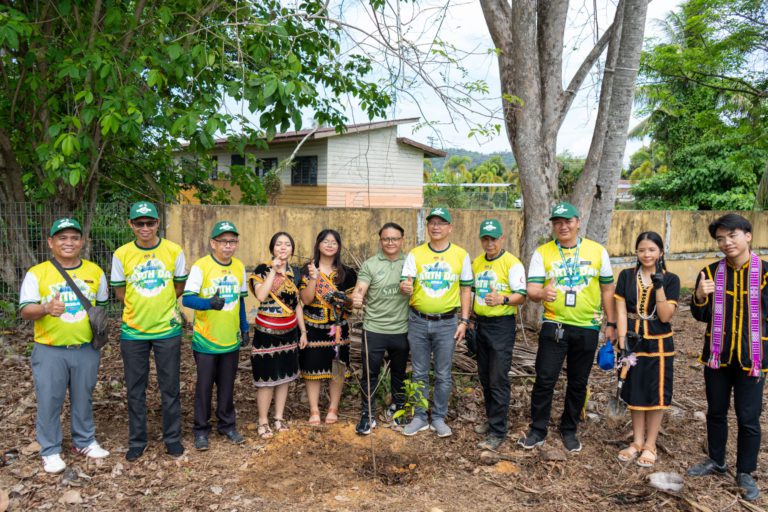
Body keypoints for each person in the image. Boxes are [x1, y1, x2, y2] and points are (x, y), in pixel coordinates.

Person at [520, 201, 616, 453]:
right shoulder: (543, 253)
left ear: (578, 221)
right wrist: (542, 292)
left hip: (587, 326)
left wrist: (612, 322)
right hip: (555, 324)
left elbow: (607, 288)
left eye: (568, 221)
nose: (563, 226)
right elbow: (531, 290)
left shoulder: (597, 251)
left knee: (578, 381)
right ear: (553, 225)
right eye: (557, 222)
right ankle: (537, 429)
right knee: (544, 379)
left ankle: (569, 429)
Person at [19, 218, 110, 473]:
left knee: (84, 396)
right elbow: (25, 310)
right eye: (62, 238)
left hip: (85, 348)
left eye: (74, 238)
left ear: (82, 242)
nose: (68, 242)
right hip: (50, 349)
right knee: (50, 399)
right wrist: (46, 308)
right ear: (50, 242)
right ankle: (50, 449)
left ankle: (84, 441)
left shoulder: (95, 272)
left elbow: (100, 308)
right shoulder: (37, 273)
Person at [687, 214, 767, 502]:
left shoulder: (766, 274)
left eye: (732, 235)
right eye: (720, 238)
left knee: (748, 418)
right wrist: (698, 296)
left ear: (748, 235)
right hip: (717, 358)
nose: (726, 242)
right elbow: (701, 315)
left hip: (752, 359)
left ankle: (745, 471)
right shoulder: (709, 273)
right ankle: (717, 460)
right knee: (716, 411)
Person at [111, 201, 187, 461]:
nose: (145, 228)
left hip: (167, 330)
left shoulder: (174, 251)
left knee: (170, 387)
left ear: (158, 223)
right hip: (134, 331)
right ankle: (137, 440)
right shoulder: (121, 254)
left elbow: (178, 287)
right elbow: (120, 292)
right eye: (139, 223)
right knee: (135, 388)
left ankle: (173, 438)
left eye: (150, 222)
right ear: (131, 225)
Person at [400, 207, 472, 438]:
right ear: (427, 226)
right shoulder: (416, 254)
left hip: (447, 322)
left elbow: (466, 289)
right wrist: (405, 287)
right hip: (418, 321)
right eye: (432, 222)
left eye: (442, 223)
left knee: (443, 373)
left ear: (450, 227)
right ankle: (420, 416)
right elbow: (405, 284)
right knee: (419, 372)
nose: (436, 226)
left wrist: (464, 320)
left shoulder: (460, 255)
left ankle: (439, 417)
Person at [615, 231, 680, 467]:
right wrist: (622, 341)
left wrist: (659, 287)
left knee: (656, 393)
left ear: (661, 252)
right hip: (632, 339)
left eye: (652, 250)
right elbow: (621, 310)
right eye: (642, 249)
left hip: (660, 342)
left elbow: (665, 316)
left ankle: (650, 445)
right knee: (634, 390)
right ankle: (636, 442)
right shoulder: (625, 276)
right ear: (636, 252)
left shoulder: (671, 279)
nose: (646, 254)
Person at [182, 221, 248, 451]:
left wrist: (245, 327)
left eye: (232, 242)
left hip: (230, 339)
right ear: (213, 243)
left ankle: (227, 425)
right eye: (224, 241)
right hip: (206, 340)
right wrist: (208, 303)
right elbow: (187, 299)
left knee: (227, 385)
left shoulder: (239, 267)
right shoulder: (201, 266)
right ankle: (201, 430)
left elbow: (240, 300)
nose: (228, 246)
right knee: (204, 387)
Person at [471, 219, 526, 450]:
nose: (490, 243)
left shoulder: (512, 263)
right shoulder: (477, 263)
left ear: (502, 238)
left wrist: (502, 299)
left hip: (501, 325)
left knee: (498, 377)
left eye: (494, 238)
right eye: (485, 238)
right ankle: (491, 418)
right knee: (484, 376)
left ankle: (498, 430)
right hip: (480, 324)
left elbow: (521, 295)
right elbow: (471, 291)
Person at [351, 222, 410, 435]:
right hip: (374, 328)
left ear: (402, 240)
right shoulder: (371, 264)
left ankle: (398, 409)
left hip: (401, 329)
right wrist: (357, 298)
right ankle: (367, 415)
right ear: (380, 240)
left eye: (395, 238)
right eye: (386, 239)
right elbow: (360, 289)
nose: (391, 242)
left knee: (399, 374)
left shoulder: (410, 263)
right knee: (370, 374)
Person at [249, 231, 307, 438]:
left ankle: (278, 417)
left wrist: (303, 331)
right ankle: (263, 420)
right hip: (266, 332)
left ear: (292, 249)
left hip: (290, 331)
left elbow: (298, 305)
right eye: (279, 244)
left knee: (284, 377)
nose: (283, 248)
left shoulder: (296, 273)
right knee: (266, 378)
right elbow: (261, 295)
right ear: (272, 248)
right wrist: (274, 271)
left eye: (287, 244)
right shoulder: (262, 270)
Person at [299, 229, 357, 425]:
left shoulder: (348, 273)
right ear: (318, 244)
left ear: (339, 246)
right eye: (326, 241)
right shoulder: (306, 270)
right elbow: (306, 300)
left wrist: (344, 300)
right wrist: (314, 278)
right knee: (311, 368)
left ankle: (333, 407)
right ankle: (314, 409)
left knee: (337, 368)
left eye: (334, 242)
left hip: (338, 327)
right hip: (312, 325)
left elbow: (352, 303)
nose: (330, 244)